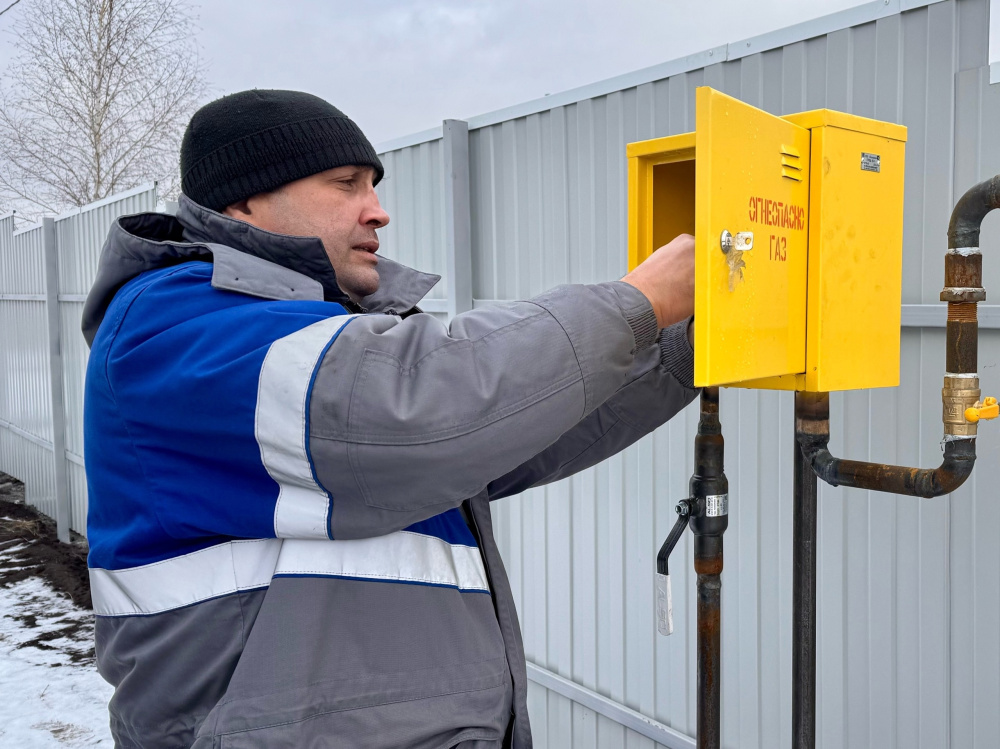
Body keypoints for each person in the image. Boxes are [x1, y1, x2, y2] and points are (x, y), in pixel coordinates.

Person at [82, 89, 697, 749]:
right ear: (243, 201)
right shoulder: (173, 324)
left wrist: (689, 345)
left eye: (372, 185)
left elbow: (506, 428)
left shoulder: (326, 327)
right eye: (345, 184)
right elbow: (415, 406)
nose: (377, 210)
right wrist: (635, 304)